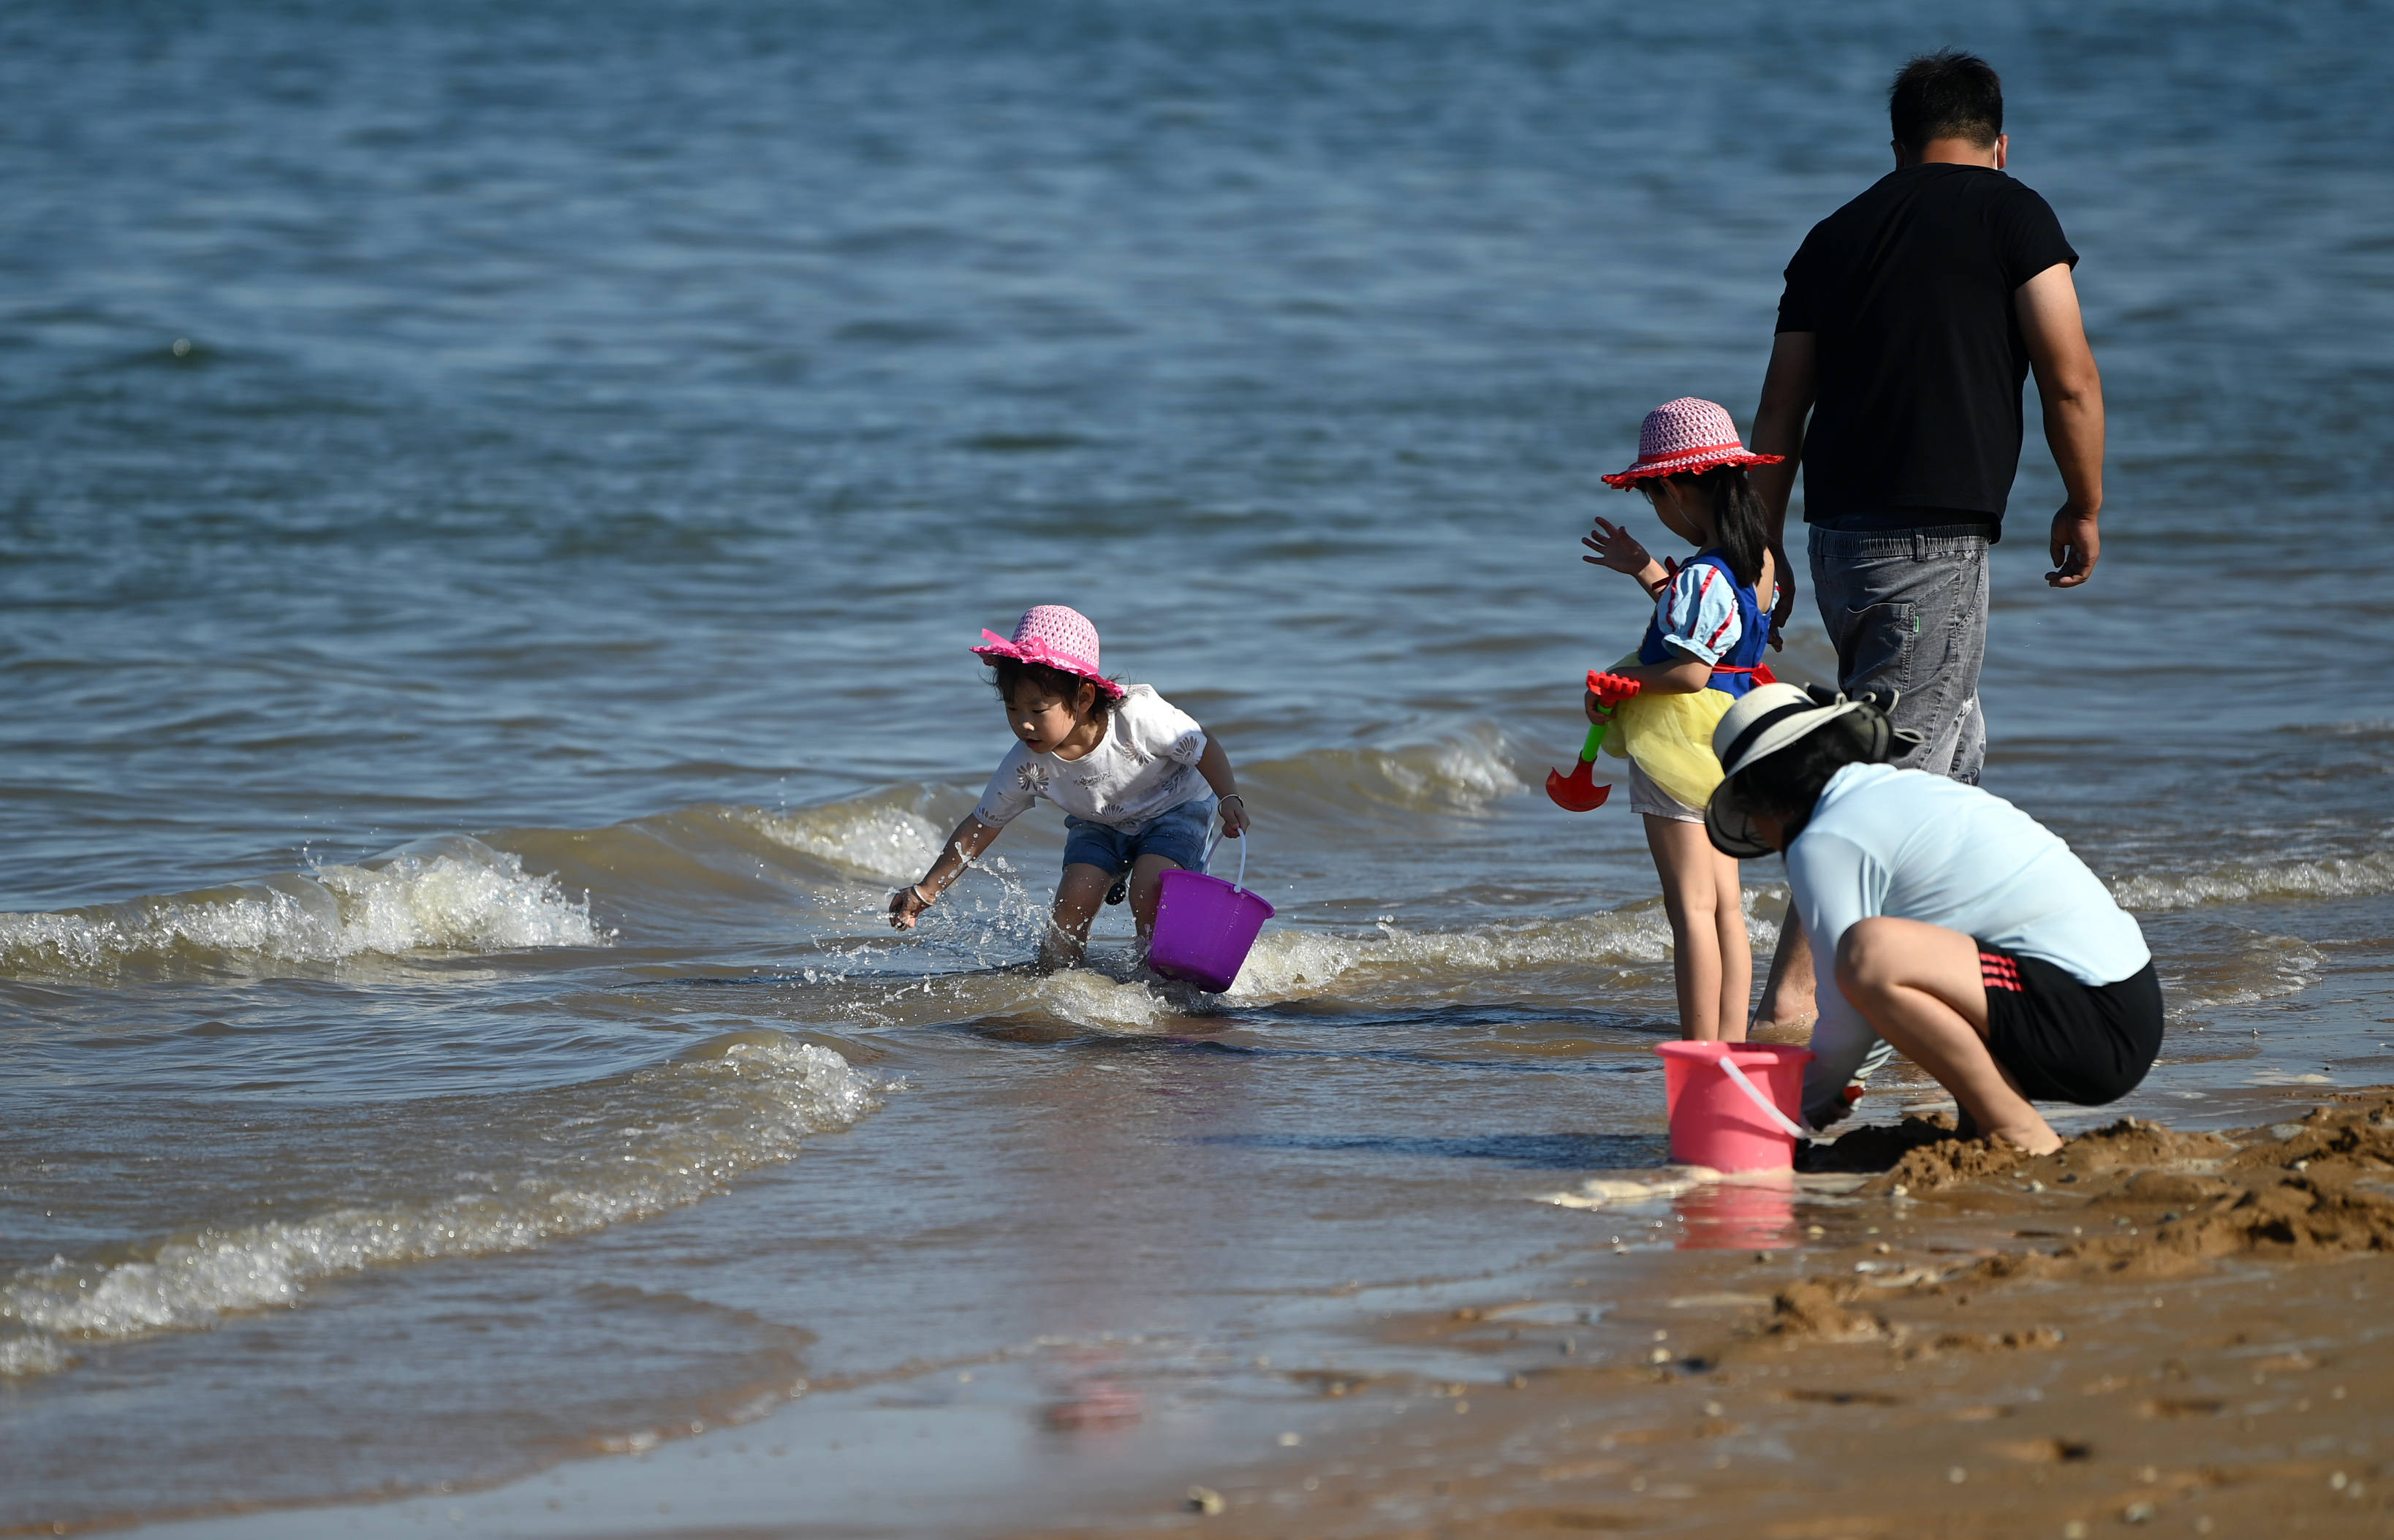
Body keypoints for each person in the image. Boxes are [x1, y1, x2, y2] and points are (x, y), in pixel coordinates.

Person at [1744, 50, 2109, 1035]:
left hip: (1836, 539)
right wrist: (2082, 501)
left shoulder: (1832, 236)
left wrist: (1762, 546)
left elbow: (1777, 412)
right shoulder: (2012, 213)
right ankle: (1790, 1004)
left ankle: (1940, 974)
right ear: (1998, 141)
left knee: (1952, 757)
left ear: (1897, 146)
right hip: (1932, 540)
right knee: (1883, 783)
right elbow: (2067, 372)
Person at [1704, 683, 2159, 1154]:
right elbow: (1882, 1002)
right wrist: (1843, 1087)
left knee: (1869, 951)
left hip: (2095, 1025)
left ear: (1766, 798)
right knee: (1888, 950)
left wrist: (1791, 1114)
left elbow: (1850, 999)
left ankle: (2020, 1132)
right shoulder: (1897, 792)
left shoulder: (1826, 837)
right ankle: (1984, 1119)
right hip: (2123, 1005)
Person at [1577, 398, 1782, 1043]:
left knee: (1688, 908)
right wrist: (1645, 570)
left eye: (1656, 501)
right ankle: (1731, 1044)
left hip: (1676, 738)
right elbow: (1713, 638)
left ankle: (1698, 1047)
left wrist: (1617, 684)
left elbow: (1688, 670)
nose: (1661, 515)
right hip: (1731, 733)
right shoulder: (1761, 564)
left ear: (1673, 489)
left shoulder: (1699, 575)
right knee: (1725, 906)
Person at [889, 605, 1249, 969]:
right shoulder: (1026, 763)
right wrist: (926, 891)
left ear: (1084, 698)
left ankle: (1160, 977)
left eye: (1037, 710)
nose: (1023, 725)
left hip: (1173, 811)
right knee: (1073, 900)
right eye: (1013, 709)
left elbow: (1202, 745)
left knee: (1149, 887)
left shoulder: (1138, 717)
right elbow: (981, 826)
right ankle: (1059, 977)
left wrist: (1228, 796)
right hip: (1098, 822)